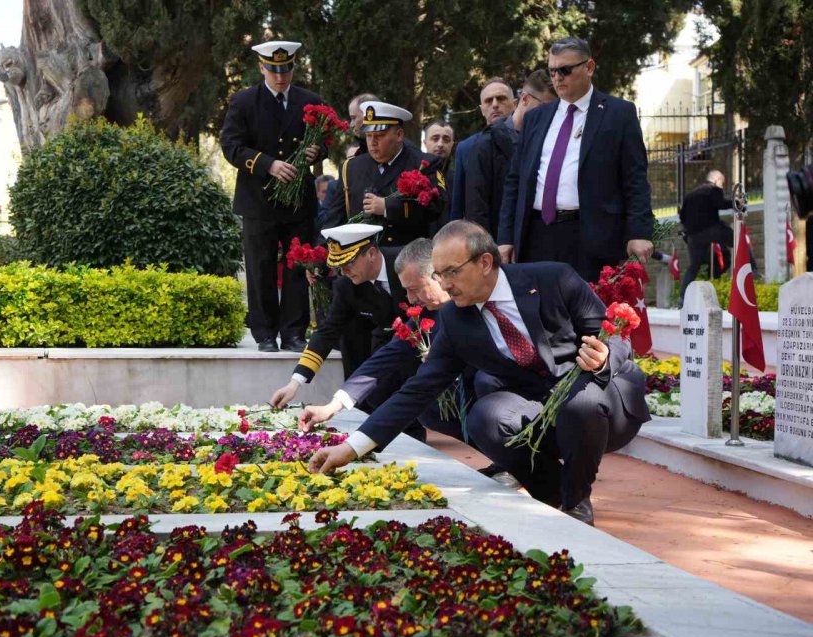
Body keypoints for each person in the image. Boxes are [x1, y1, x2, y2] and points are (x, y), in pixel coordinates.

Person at [304, 221, 650, 526]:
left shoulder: (553, 278)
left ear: (485, 262)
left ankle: (577, 504)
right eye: (439, 275)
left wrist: (604, 358)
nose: (445, 284)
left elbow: (613, 332)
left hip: (600, 398)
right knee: (485, 416)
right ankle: (554, 494)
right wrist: (350, 449)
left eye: (451, 272)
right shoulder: (456, 319)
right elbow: (417, 390)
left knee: (581, 402)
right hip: (538, 408)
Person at [499, 37, 655, 281]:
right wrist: (506, 237)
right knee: (539, 315)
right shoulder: (536, 118)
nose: (557, 78)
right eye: (552, 71)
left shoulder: (618, 114)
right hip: (537, 236)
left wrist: (639, 232)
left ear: (589, 67)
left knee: (587, 316)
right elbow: (515, 180)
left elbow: (635, 179)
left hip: (590, 237)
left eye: (565, 70)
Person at [220, 40, 326, 353]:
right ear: (261, 68)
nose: (281, 77)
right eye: (274, 70)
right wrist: (268, 164)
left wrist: (318, 151)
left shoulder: (310, 101)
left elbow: (325, 142)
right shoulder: (244, 101)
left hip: (297, 200)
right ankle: (264, 332)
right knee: (260, 266)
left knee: (297, 265)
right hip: (258, 199)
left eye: (287, 69)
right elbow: (232, 147)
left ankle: (294, 332)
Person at [269, 224, 420, 431]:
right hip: (387, 344)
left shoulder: (405, 262)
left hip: (424, 341)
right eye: (338, 265)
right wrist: (294, 383)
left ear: (372, 254)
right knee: (378, 395)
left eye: (348, 263)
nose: (343, 271)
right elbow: (327, 332)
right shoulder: (346, 284)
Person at [320, 101, 446, 245]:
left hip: (405, 256)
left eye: (379, 135)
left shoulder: (424, 164)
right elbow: (334, 217)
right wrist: (320, 255)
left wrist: (387, 207)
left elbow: (436, 207)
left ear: (399, 135)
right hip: (362, 257)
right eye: (368, 135)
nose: (373, 142)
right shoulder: (351, 167)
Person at [464, 70, 556, 235]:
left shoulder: (545, 142)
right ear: (525, 99)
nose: (550, 114)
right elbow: (477, 209)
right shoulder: (485, 144)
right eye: (545, 107)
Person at [678, 170, 757, 304]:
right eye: (722, 182)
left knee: (694, 266)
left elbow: (682, 216)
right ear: (716, 180)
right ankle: (753, 270)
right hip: (712, 229)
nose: (722, 185)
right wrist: (737, 203)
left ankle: (682, 299)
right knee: (740, 241)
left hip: (693, 236)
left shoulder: (690, 195)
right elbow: (720, 203)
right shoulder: (713, 189)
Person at [449, 78, 517, 221]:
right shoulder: (466, 147)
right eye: (488, 101)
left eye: (501, 98)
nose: (495, 105)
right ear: (482, 110)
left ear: (514, 104)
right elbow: (459, 201)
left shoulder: (526, 141)